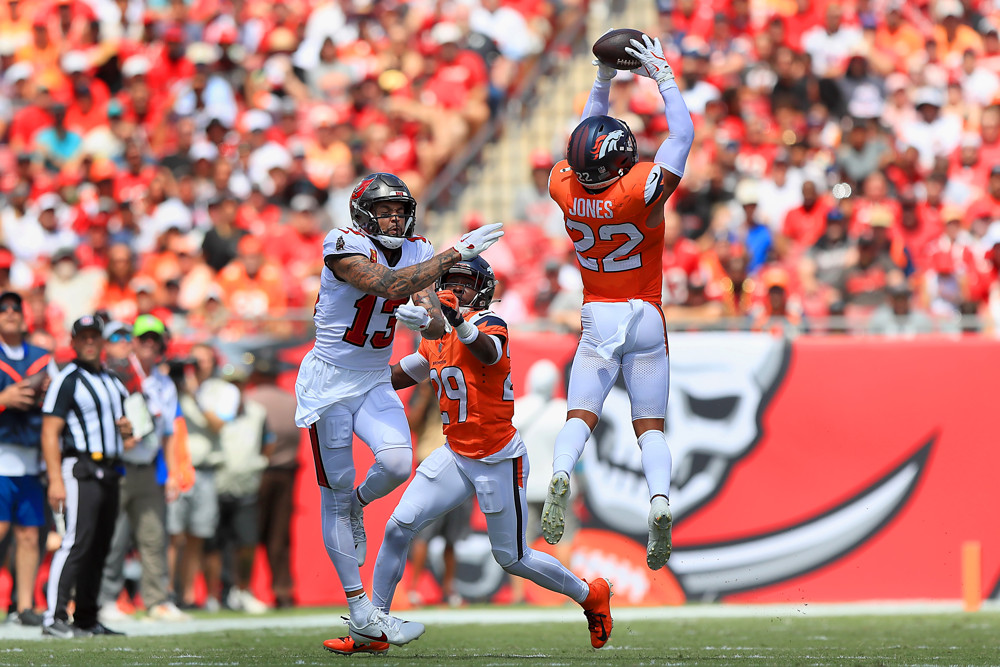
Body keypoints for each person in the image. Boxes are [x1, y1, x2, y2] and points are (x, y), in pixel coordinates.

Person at [324, 258, 613, 656]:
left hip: (497, 457)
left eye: (465, 283)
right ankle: (374, 630)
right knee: (396, 527)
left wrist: (456, 319)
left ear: (482, 289)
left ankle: (590, 595)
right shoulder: (435, 335)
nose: (456, 289)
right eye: (452, 282)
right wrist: (349, 376)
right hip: (456, 453)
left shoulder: (491, 324)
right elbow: (400, 374)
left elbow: (489, 351)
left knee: (512, 558)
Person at [293, 172, 503, 648]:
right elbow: (385, 285)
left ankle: (358, 507)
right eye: (384, 209)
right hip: (328, 380)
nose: (394, 216)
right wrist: (454, 254)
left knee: (395, 463)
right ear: (362, 213)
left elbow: (432, 328)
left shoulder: (417, 248)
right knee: (335, 487)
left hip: (371, 376)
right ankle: (359, 608)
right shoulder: (341, 241)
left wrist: (422, 317)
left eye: (399, 209)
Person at [542, 34, 694, 572]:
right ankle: (659, 501)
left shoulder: (564, 185)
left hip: (598, 310)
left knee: (580, 414)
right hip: (646, 314)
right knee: (650, 426)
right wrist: (663, 77)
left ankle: (560, 473)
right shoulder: (635, 191)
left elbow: (584, 134)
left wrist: (603, 78)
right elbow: (683, 133)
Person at [41, 315, 133, 638]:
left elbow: (129, 430)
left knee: (100, 545)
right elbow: (50, 431)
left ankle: (86, 617)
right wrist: (55, 478)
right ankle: (53, 617)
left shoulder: (112, 381)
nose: (91, 342)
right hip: (80, 468)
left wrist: (130, 430)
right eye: (85, 337)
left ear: (103, 342)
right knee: (76, 542)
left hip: (111, 468)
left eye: (96, 336)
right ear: (74, 342)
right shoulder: (68, 379)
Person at [99, 314, 188, 623]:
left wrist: (172, 474)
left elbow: (168, 434)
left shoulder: (164, 383)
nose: (150, 343)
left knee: (154, 537)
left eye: (155, 339)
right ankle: (106, 599)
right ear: (133, 343)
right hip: (121, 466)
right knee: (114, 537)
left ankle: (157, 600)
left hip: (150, 467)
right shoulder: (117, 374)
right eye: (144, 338)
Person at [0, 291, 52, 627]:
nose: (10, 313)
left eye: (15, 308)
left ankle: (24, 606)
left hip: (31, 460)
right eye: (3, 308)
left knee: (30, 535)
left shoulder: (42, 358)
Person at [244, 352, 299, 609]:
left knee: (247, 532)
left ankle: (241, 587)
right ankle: (283, 589)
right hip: (286, 473)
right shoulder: (290, 401)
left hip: (257, 473)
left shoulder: (249, 401)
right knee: (280, 536)